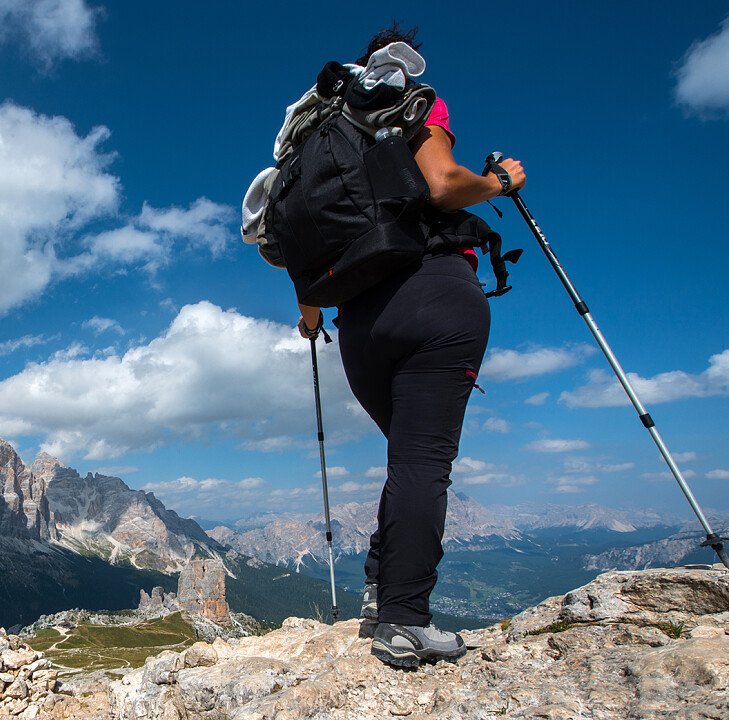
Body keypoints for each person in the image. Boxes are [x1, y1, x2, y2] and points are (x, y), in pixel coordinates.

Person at [296, 25, 526, 667]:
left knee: (407, 459)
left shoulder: (319, 141)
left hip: (358, 330)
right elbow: (444, 185)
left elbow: (303, 266)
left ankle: (382, 589)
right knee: (423, 463)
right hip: (433, 296)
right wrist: (500, 181)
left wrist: (311, 318)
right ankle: (403, 621)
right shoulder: (411, 102)